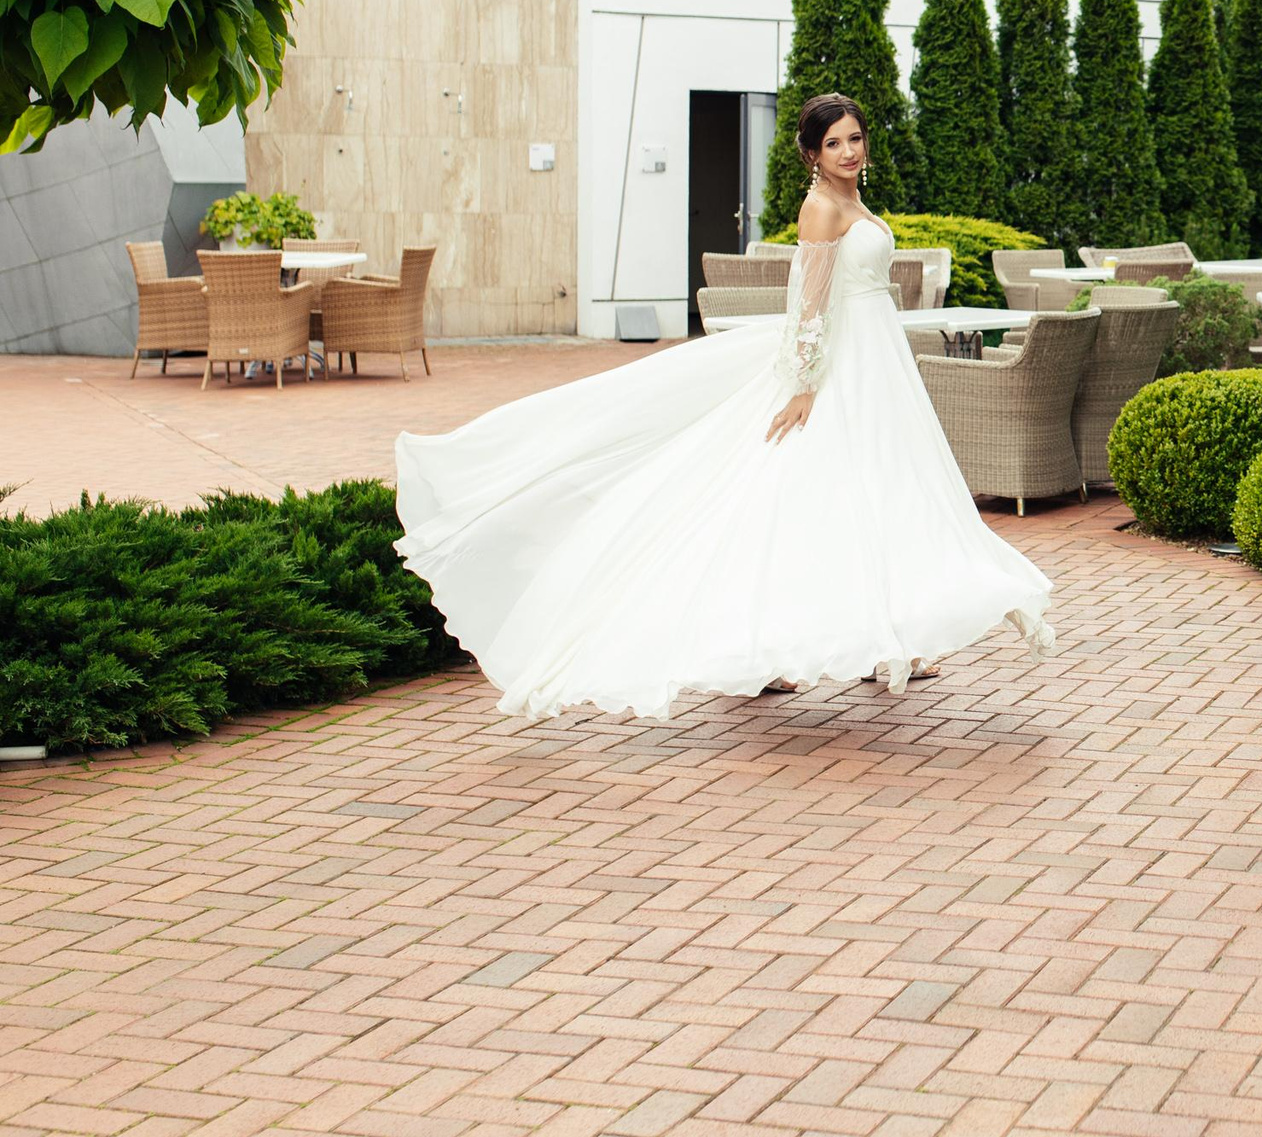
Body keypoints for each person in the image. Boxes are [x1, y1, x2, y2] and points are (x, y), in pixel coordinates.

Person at [394, 93, 1057, 720]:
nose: (850, 150)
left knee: (880, 492)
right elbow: (810, 302)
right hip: (844, 366)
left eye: (854, 137)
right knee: (802, 497)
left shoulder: (853, 200)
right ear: (812, 154)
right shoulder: (822, 208)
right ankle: (769, 643)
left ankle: (889, 638)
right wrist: (803, 384)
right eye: (834, 142)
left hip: (879, 361)